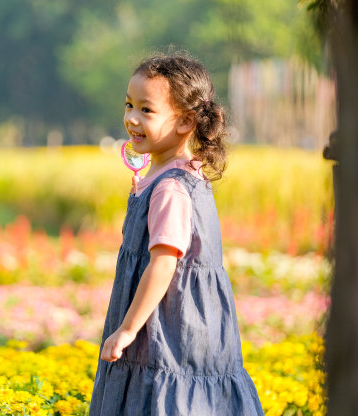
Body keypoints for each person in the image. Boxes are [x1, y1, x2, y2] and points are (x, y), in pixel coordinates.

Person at [89, 53, 264, 415]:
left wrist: (127, 329)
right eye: (128, 105)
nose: (131, 118)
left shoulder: (170, 187)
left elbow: (164, 264)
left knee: (167, 402)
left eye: (146, 110)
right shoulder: (175, 174)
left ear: (185, 121)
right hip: (181, 326)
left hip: (166, 334)